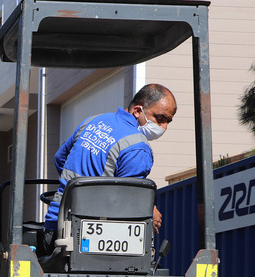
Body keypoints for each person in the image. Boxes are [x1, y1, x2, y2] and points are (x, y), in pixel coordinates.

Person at [40, 83, 176, 257]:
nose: (163, 127)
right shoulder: (137, 146)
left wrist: (73, 191)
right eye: (160, 118)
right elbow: (130, 197)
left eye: (168, 121)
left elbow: (60, 158)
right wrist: (151, 209)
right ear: (137, 111)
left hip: (53, 228)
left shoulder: (93, 121)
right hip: (92, 239)